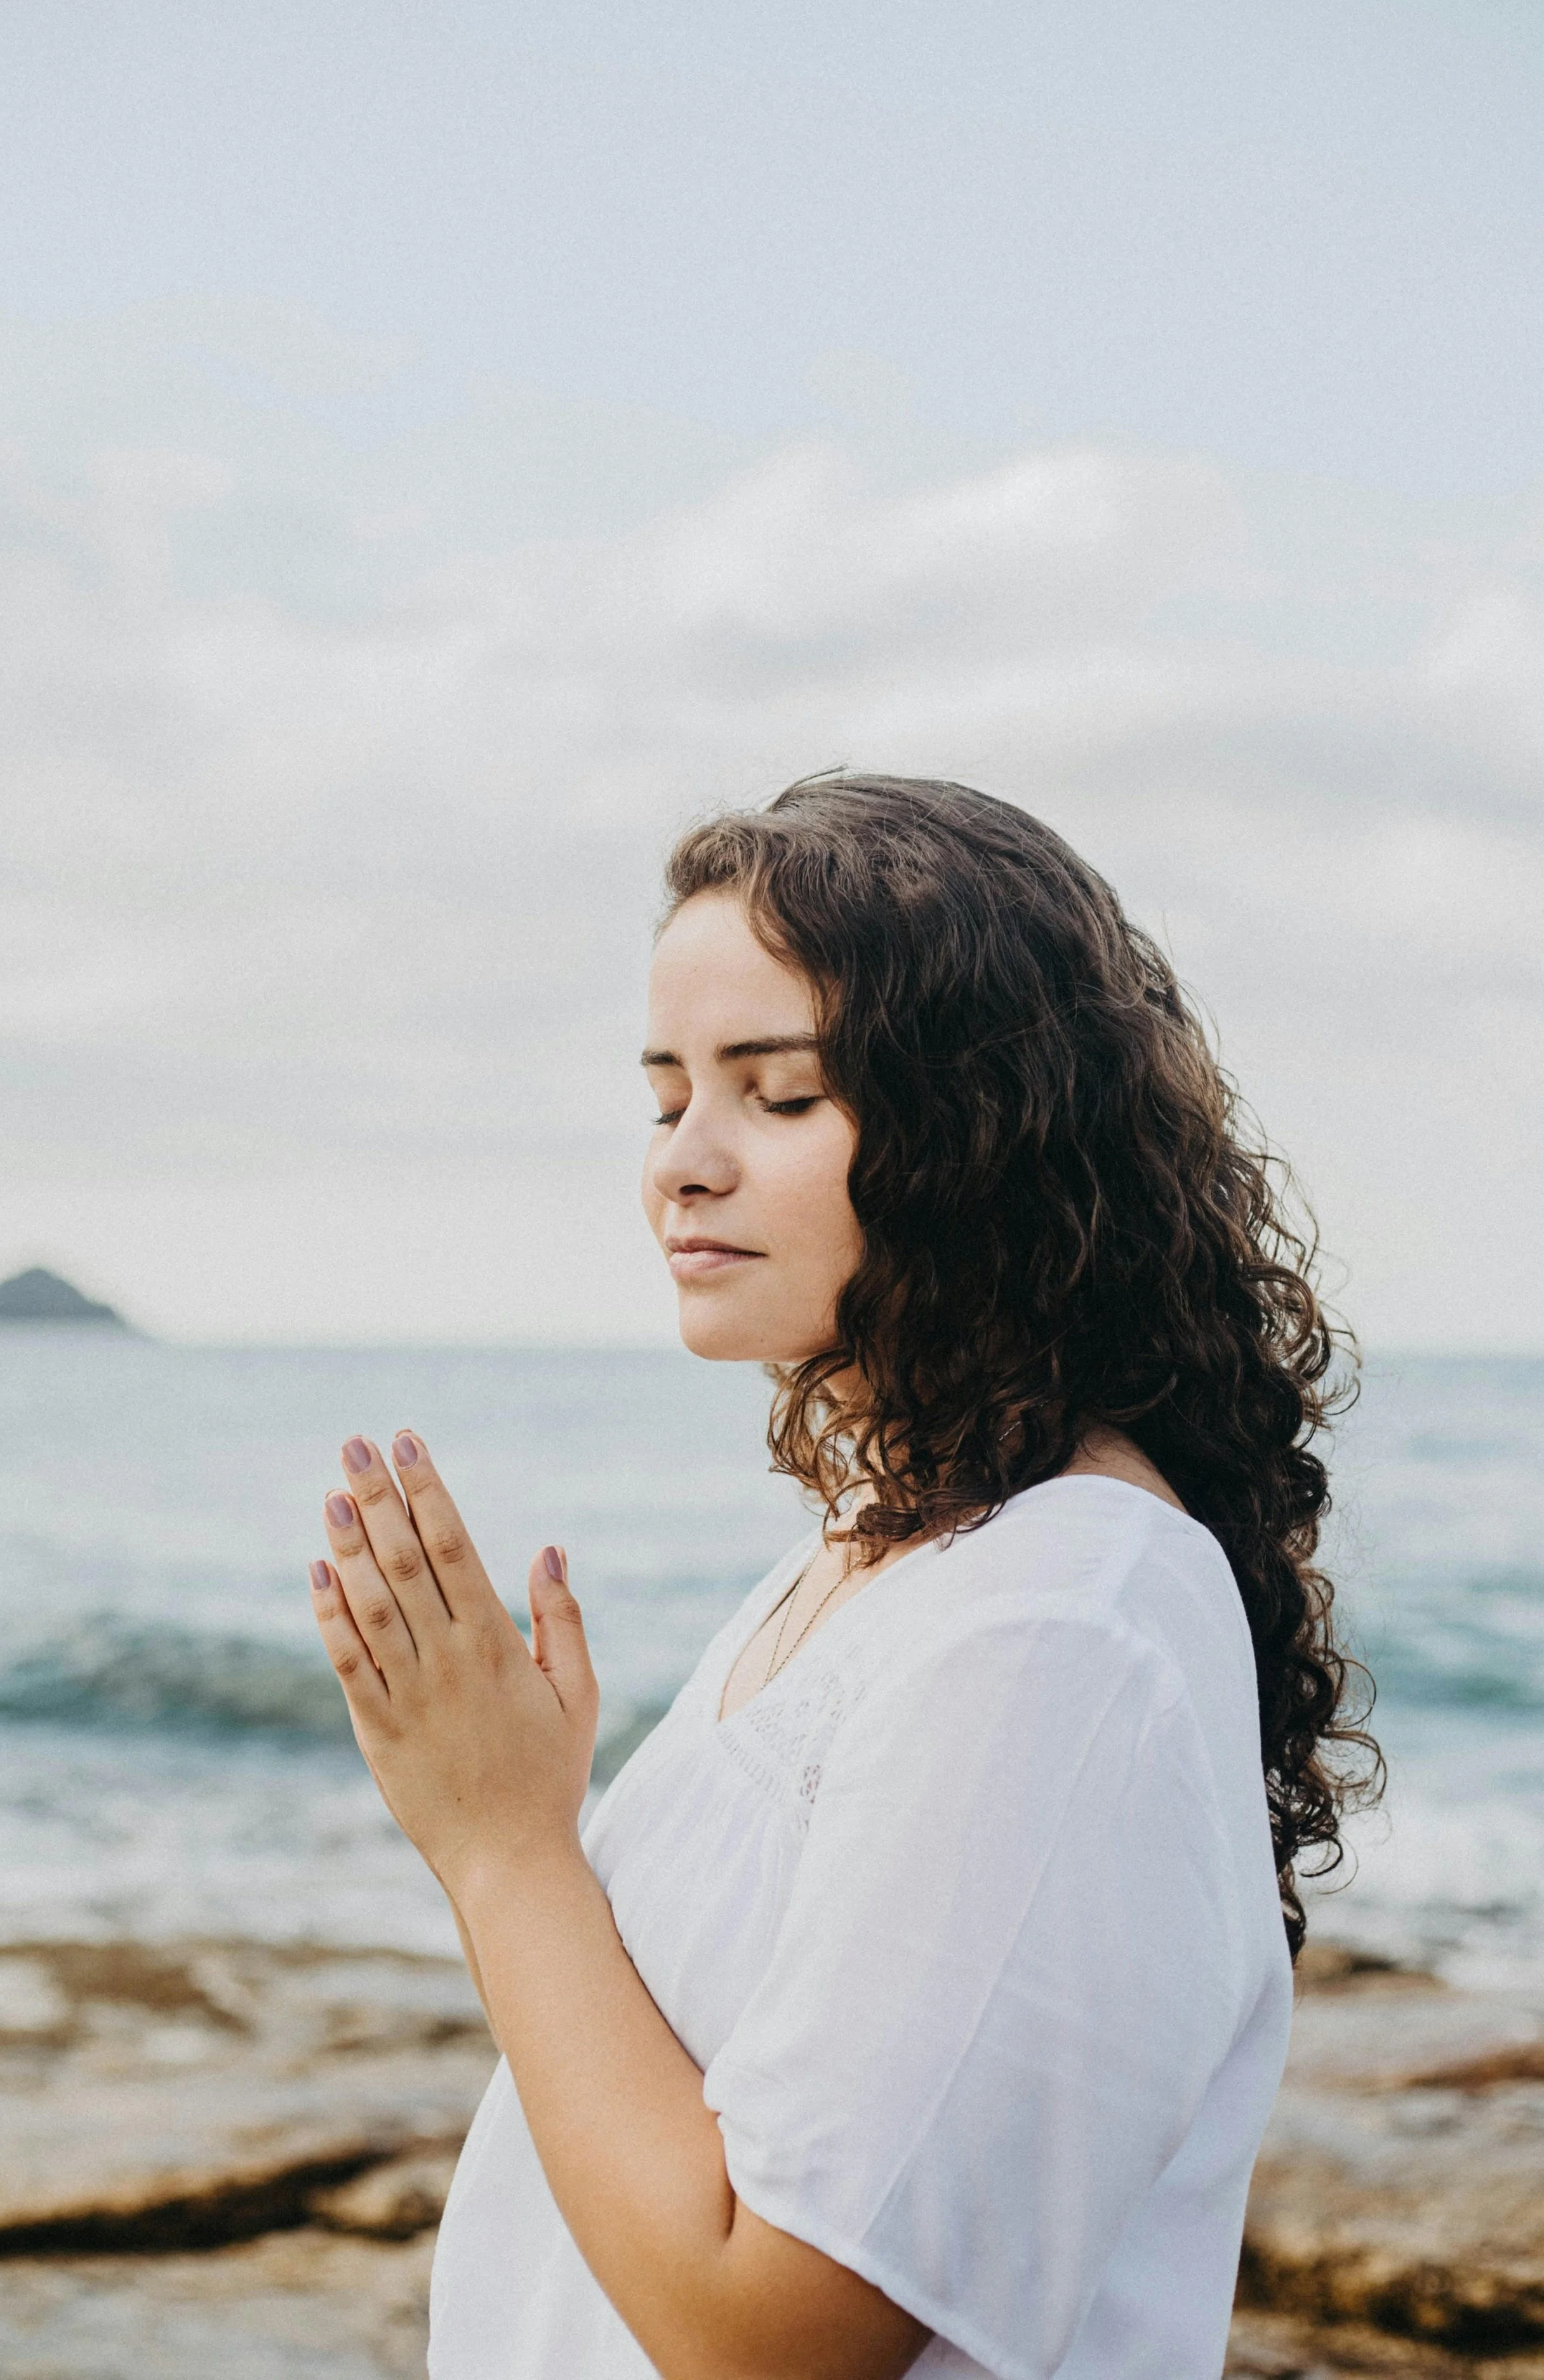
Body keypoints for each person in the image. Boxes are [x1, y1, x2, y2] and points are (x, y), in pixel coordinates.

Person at [308, 775, 1378, 2380]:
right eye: (665, 1092)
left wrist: (504, 1848)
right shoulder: (892, 1550)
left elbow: (773, 2335)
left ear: (988, 1128)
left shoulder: (1055, 1623)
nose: (683, 1160)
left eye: (779, 1094)